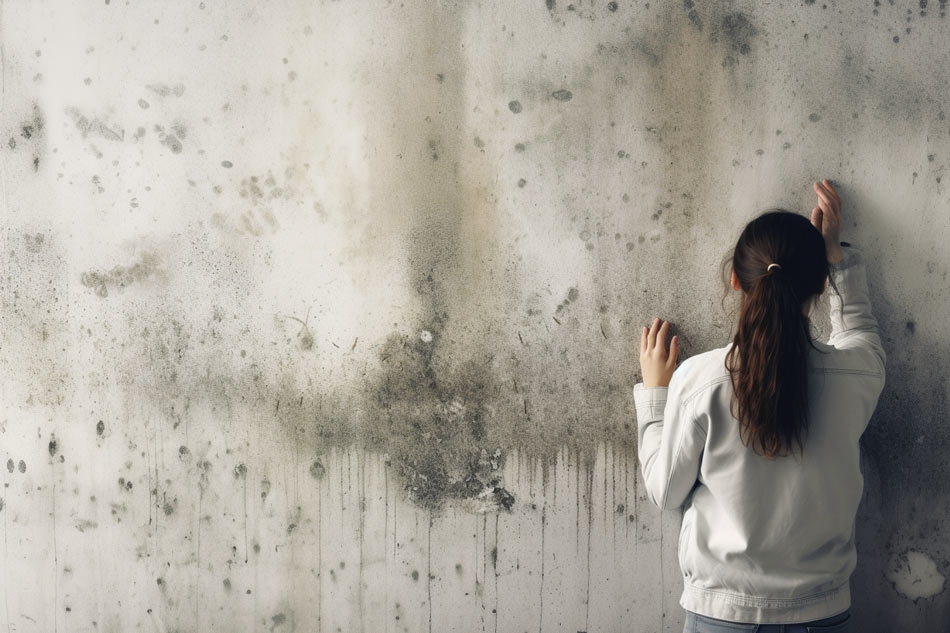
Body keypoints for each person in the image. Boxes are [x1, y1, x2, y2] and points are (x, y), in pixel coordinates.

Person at [634, 179, 886, 633]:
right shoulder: (856, 375)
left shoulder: (700, 381)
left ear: (735, 279)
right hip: (823, 615)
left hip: (721, 617)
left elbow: (665, 490)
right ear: (820, 285)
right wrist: (836, 259)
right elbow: (860, 331)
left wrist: (656, 395)